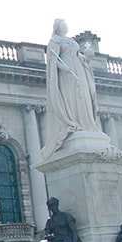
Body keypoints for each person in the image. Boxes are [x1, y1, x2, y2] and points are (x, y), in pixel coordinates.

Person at [42, 18, 100, 158]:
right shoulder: (55, 41)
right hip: (66, 74)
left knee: (83, 97)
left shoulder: (71, 41)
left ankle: (85, 124)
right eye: (62, 24)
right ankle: (73, 122)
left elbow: (78, 55)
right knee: (71, 98)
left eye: (65, 24)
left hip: (78, 71)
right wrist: (63, 67)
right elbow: (53, 60)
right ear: (57, 27)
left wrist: (86, 57)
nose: (65, 26)